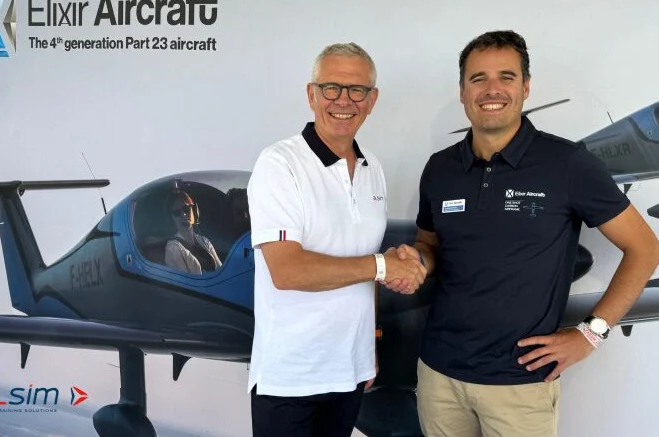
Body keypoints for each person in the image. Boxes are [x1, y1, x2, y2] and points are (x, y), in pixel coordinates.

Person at [392, 30, 659, 437]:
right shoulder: (440, 168)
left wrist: (590, 334)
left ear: (526, 87)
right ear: (463, 91)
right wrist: (417, 261)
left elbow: (644, 248)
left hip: (520, 385)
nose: (492, 90)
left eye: (507, 77)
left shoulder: (567, 163)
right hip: (439, 377)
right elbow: (430, 244)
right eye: (478, 78)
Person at [246, 42, 426, 437]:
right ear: (311, 95)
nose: (343, 100)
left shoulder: (373, 169)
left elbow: (364, 264)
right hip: (291, 378)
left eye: (357, 90)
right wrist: (383, 266)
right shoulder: (279, 164)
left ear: (372, 100)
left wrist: (369, 345)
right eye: (331, 87)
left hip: (350, 371)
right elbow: (288, 271)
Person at [164, 189, 222, 274]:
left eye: (186, 209)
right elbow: (186, 281)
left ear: (194, 211)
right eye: (177, 212)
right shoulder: (173, 248)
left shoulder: (204, 241)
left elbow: (221, 271)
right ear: (171, 220)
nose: (184, 215)